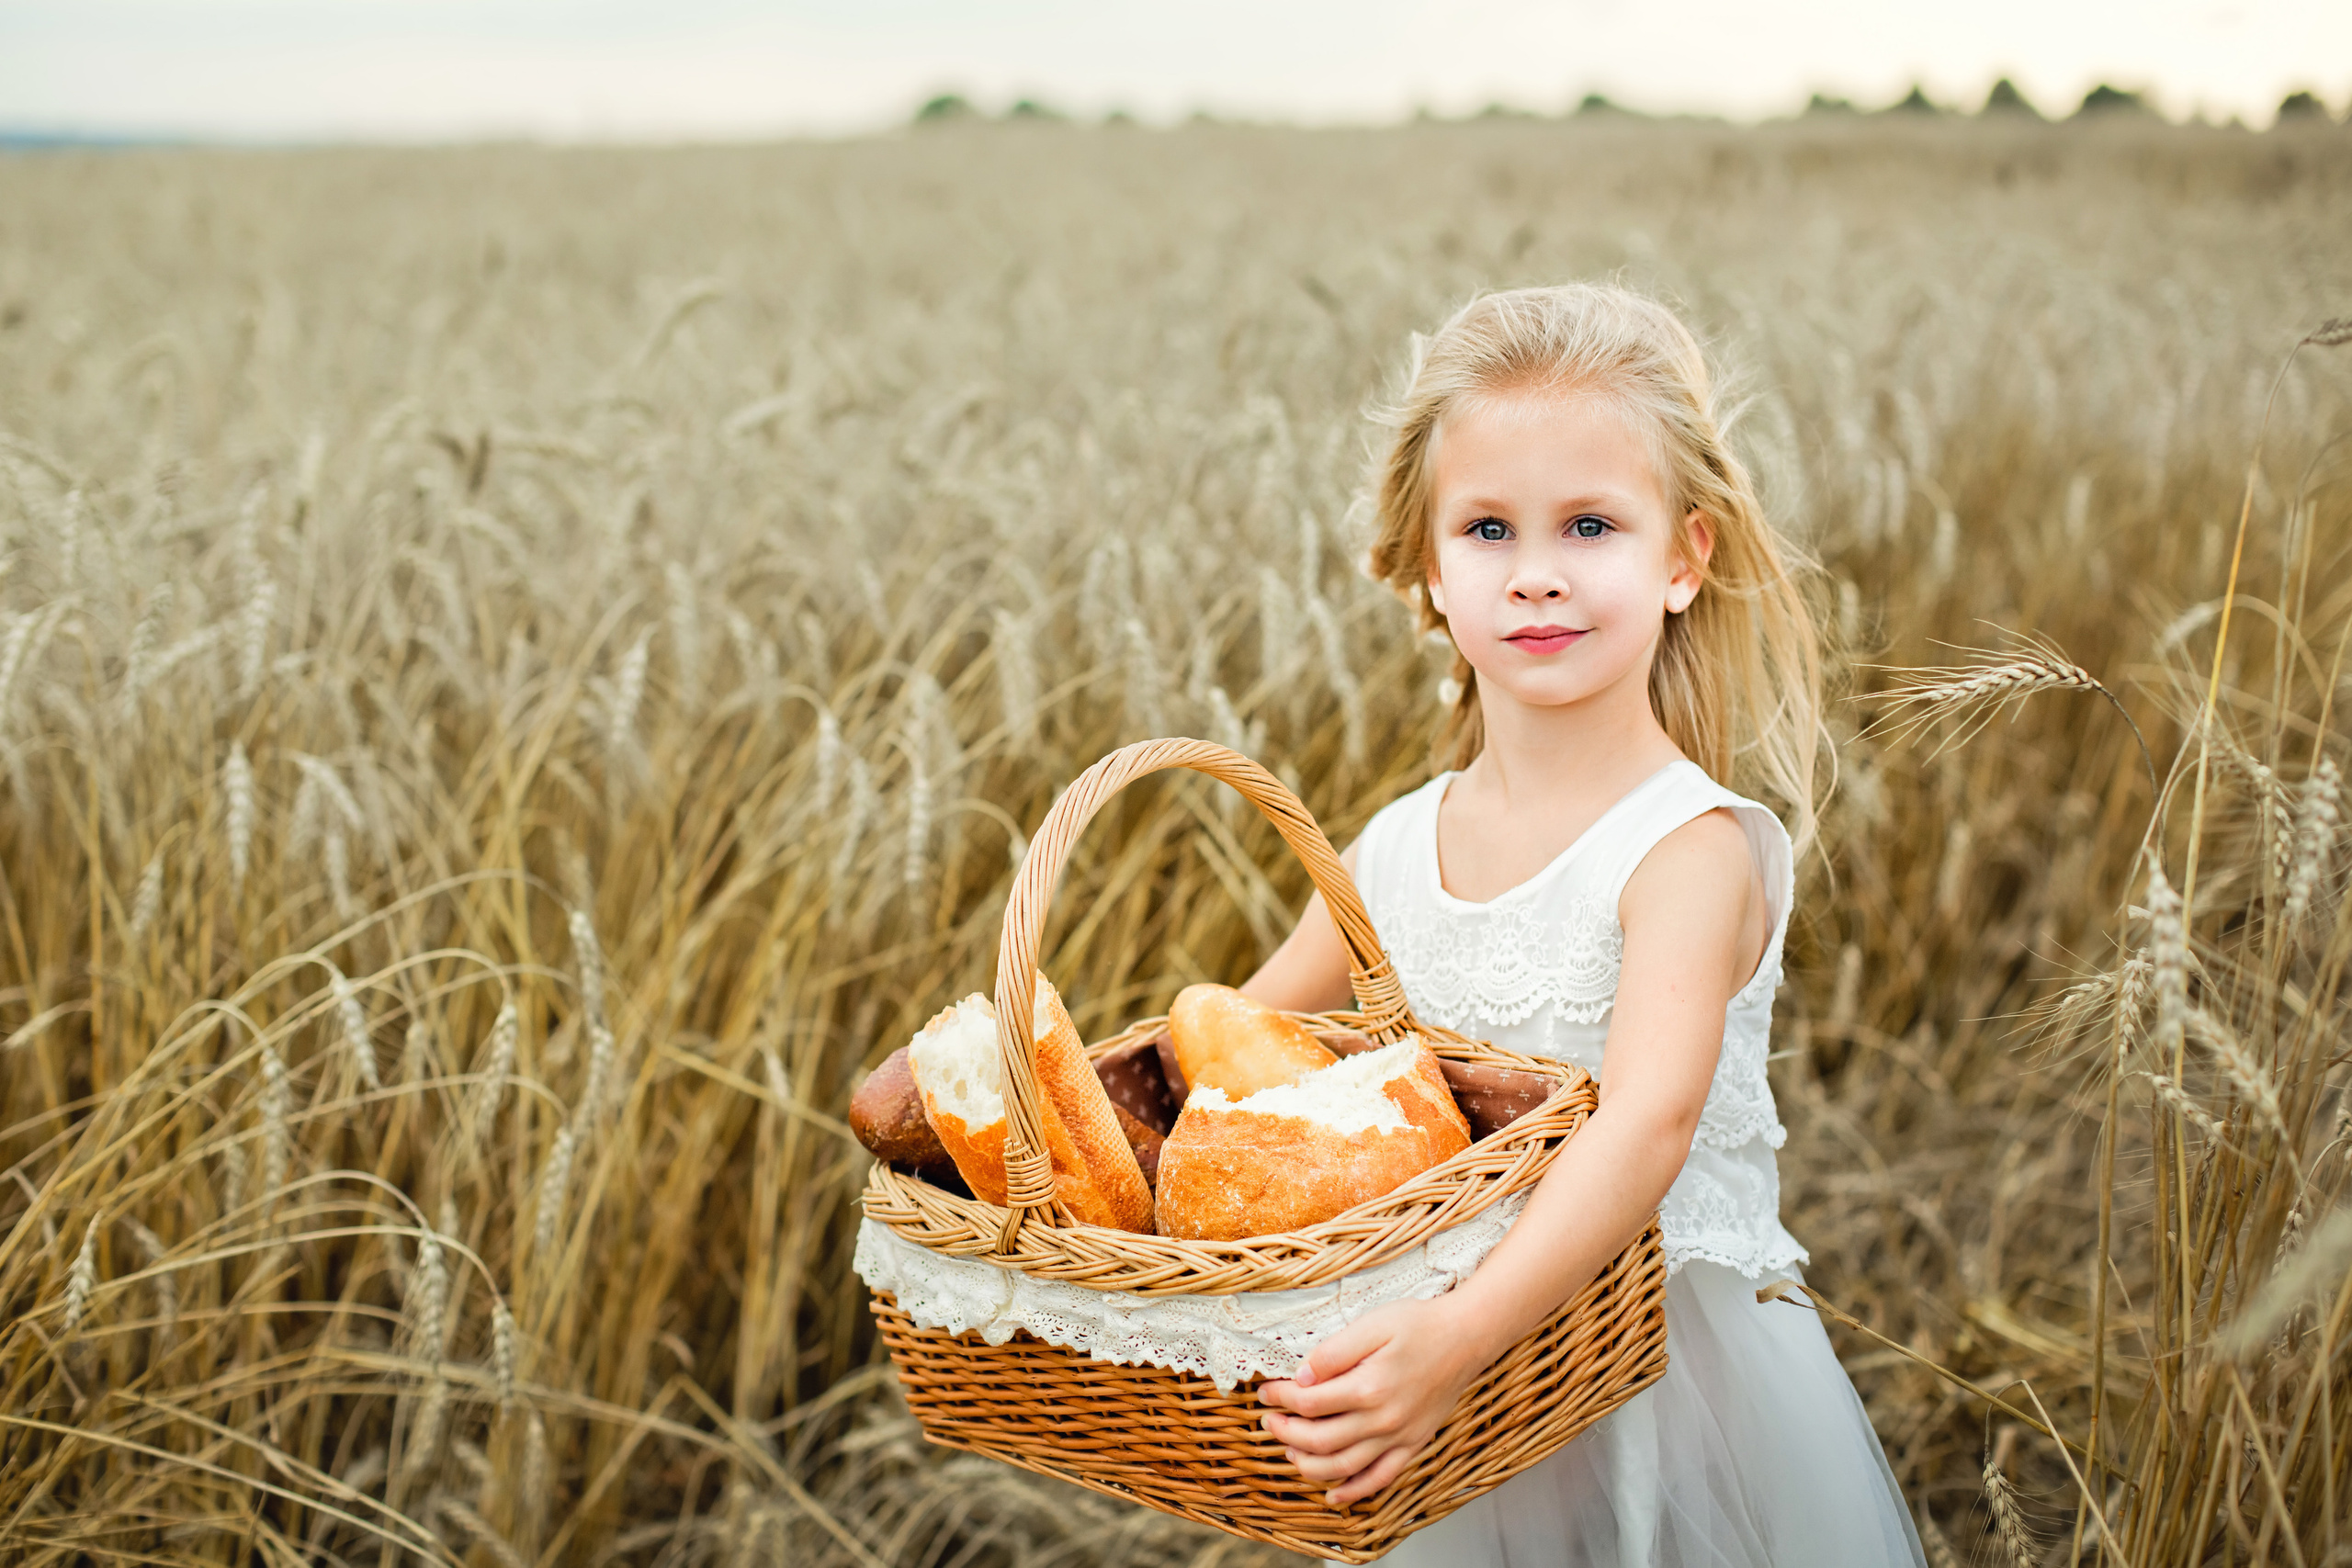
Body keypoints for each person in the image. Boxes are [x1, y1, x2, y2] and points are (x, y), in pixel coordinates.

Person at [1242, 284, 1928, 1566]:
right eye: (1489, 527)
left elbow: (1648, 1124)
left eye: (1591, 525)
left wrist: (1454, 1341)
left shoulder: (1685, 850)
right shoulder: (1392, 846)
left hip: (1665, 1400)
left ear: (1684, 559)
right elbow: (1231, 1047)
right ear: (1428, 570)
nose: (1539, 572)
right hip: (1460, 1412)